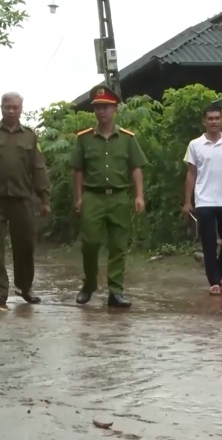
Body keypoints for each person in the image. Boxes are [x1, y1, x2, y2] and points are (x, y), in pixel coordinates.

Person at [0, 92, 50, 310]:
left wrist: (44, 198)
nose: (11, 111)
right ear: (1, 108)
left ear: (21, 109)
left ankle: (25, 287)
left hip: (22, 198)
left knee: (24, 244)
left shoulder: (30, 136)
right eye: (7, 107)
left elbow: (38, 168)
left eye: (15, 107)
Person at [73, 85, 148, 308]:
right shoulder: (84, 139)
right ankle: (89, 284)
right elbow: (78, 170)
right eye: (97, 107)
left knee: (118, 245)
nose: (101, 112)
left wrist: (139, 196)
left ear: (115, 109)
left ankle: (116, 291)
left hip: (119, 197)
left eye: (105, 107)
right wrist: (78, 198)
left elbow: (136, 168)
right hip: (92, 196)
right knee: (90, 243)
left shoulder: (127, 139)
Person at [182, 105, 222, 296]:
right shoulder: (195, 145)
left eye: (217, 118)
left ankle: (218, 273)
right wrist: (187, 201)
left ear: (221, 120)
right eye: (210, 118)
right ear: (204, 121)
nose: (214, 121)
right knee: (208, 242)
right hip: (204, 200)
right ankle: (214, 281)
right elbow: (191, 173)